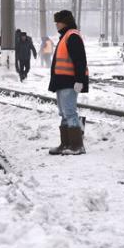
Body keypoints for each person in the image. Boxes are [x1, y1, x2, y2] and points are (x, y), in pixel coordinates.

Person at [47, 10, 89, 155]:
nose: (56, 25)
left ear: (64, 22)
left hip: (70, 81)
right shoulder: (65, 36)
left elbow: (80, 60)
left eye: (58, 22)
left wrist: (79, 80)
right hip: (62, 81)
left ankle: (77, 146)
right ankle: (65, 144)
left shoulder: (72, 36)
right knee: (64, 113)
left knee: (70, 112)